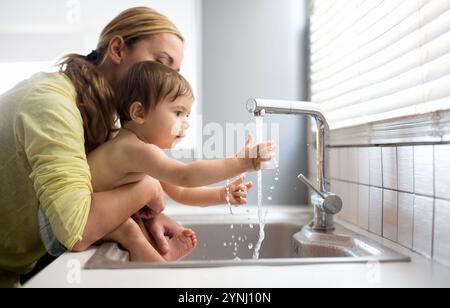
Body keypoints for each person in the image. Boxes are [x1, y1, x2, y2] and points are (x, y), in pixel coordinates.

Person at [0, 7, 196, 287]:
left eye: (174, 72)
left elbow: (92, 187)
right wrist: (146, 188)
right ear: (117, 49)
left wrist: (146, 215)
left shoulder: (100, 118)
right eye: (160, 62)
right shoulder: (52, 105)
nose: (166, 81)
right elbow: (76, 230)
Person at [88, 61, 274, 262]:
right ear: (139, 113)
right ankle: (162, 266)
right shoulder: (132, 148)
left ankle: (159, 255)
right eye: (178, 113)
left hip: (100, 217)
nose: (185, 123)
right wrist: (241, 163)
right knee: (131, 230)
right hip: (87, 221)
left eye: (187, 114)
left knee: (135, 222)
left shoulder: (145, 153)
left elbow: (181, 191)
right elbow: (185, 175)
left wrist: (222, 194)